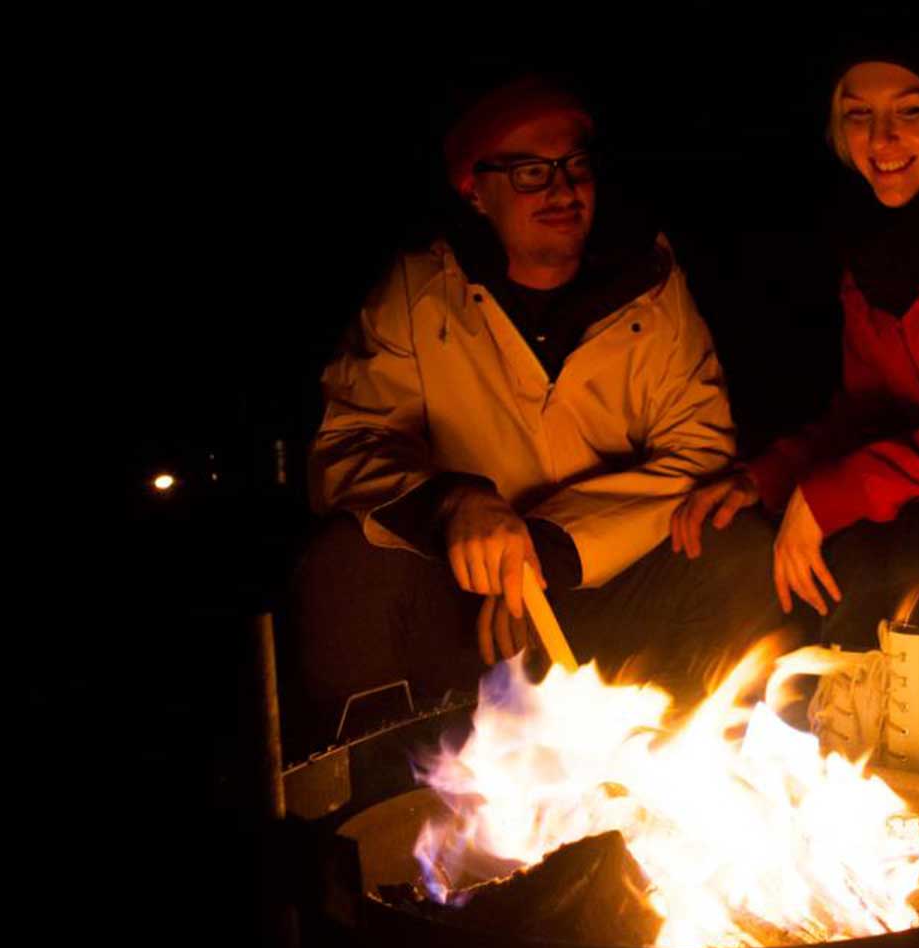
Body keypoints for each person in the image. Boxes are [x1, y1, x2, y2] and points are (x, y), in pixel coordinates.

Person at [291, 76, 785, 748]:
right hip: (472, 610)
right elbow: (348, 446)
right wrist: (451, 506)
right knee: (341, 566)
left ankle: (697, 763)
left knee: (732, 538)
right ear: (476, 190)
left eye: (574, 166)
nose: (561, 189)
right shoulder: (417, 295)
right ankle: (382, 785)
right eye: (529, 171)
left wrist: (548, 551)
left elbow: (698, 453)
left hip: (606, 588)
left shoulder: (650, 286)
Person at [670, 39, 919, 648]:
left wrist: (828, 497)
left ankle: (872, 721)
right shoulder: (874, 246)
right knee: (748, 541)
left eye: (909, 111)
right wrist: (772, 478)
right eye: (859, 115)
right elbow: (870, 412)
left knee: (878, 560)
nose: (880, 140)